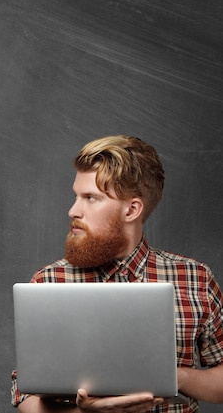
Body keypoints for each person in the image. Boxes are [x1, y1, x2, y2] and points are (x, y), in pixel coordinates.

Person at [11, 136, 223, 413]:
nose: (73, 210)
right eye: (76, 196)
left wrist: (174, 376)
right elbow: (24, 396)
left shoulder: (195, 277)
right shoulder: (48, 281)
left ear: (132, 209)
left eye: (90, 198)